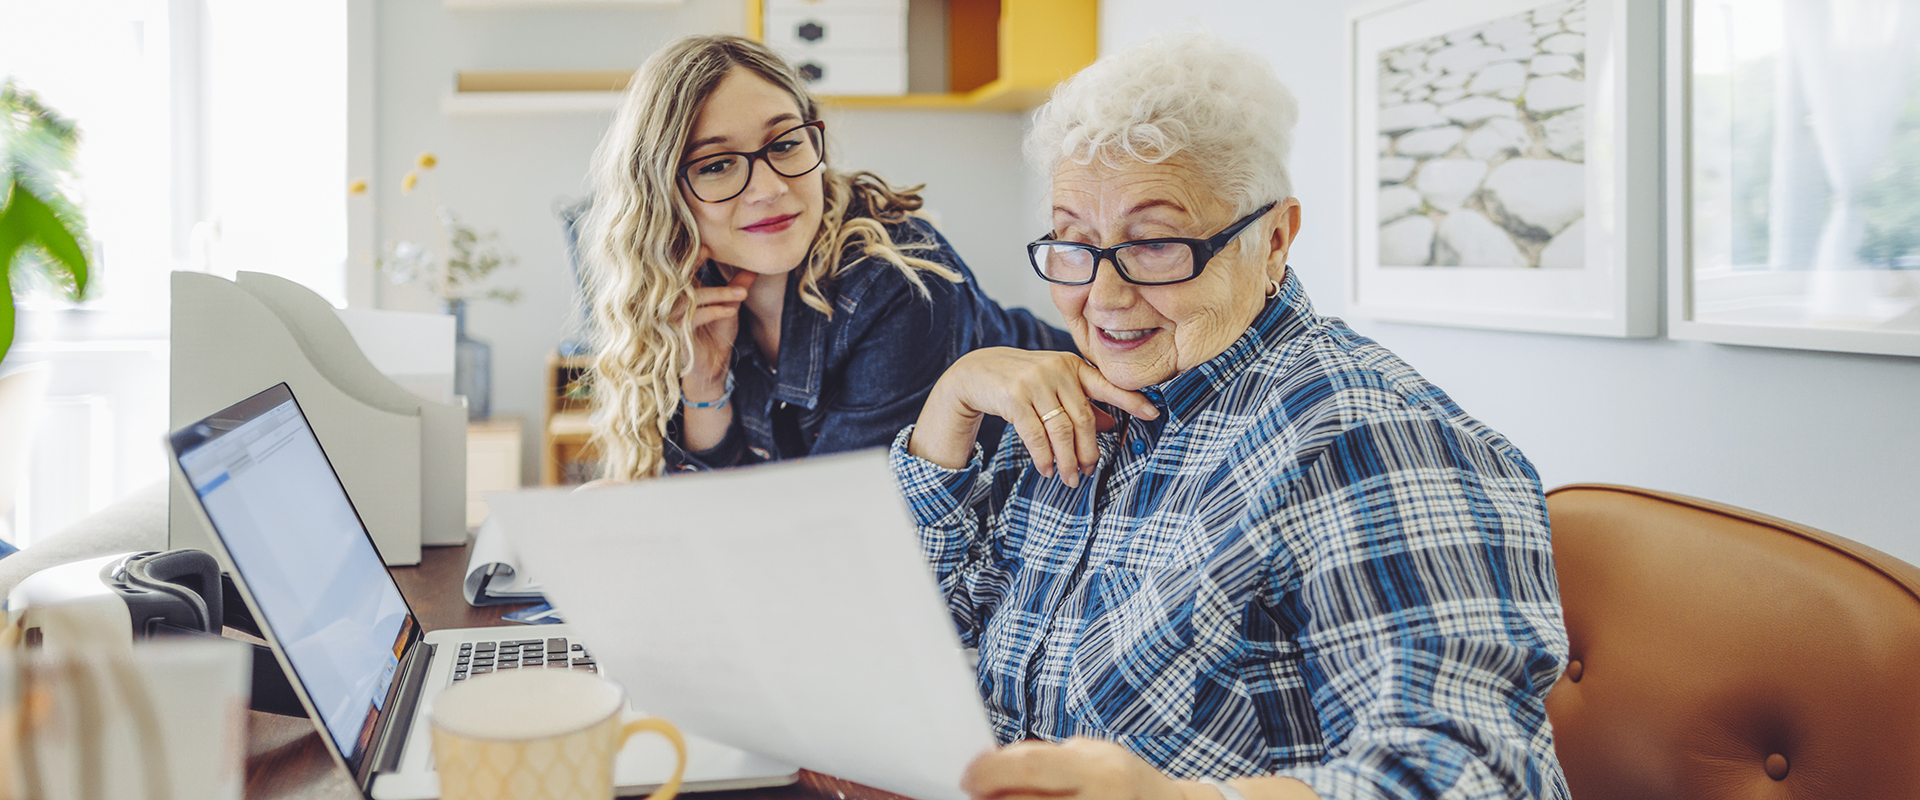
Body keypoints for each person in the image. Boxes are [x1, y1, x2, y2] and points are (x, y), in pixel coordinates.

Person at [889, 34, 1570, 800]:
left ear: (1273, 240)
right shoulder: (1078, 404)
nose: (1103, 298)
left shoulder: (1370, 437)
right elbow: (930, 646)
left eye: (1152, 244)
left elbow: (1479, 777)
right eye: (1074, 243)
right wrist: (946, 412)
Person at [579, 35, 1071, 480]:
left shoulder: (897, 283)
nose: (770, 188)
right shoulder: (688, 291)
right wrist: (705, 384)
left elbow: (831, 525)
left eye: (786, 143)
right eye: (718, 164)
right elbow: (716, 514)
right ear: (663, 194)